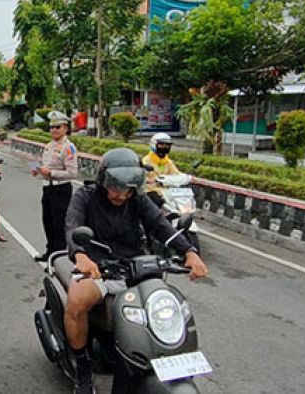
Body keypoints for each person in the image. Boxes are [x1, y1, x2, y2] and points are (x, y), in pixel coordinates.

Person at [63, 148, 209, 394]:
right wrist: (81, 255)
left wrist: (189, 252)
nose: (122, 195)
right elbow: (72, 225)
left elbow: (160, 225)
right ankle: (83, 368)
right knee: (76, 302)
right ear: (103, 180)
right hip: (99, 268)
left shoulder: (137, 199)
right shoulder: (85, 197)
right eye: (116, 188)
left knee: (162, 307)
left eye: (128, 190)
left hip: (136, 267)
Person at [33, 111, 78, 262]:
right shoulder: (49, 146)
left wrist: (51, 173)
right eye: (51, 127)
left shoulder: (68, 147)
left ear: (65, 128)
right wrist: (39, 170)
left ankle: (59, 258)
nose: (53, 130)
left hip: (61, 189)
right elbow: (46, 166)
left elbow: (72, 172)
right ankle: (50, 251)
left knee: (59, 224)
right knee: (48, 222)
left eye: (57, 127)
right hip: (47, 188)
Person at [142, 132, 180, 207]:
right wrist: (150, 180)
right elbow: (143, 179)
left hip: (165, 192)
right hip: (150, 191)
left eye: (167, 145)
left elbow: (176, 174)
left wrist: (186, 178)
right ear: (154, 145)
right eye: (162, 145)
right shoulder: (146, 161)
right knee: (157, 201)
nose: (165, 147)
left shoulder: (167, 161)